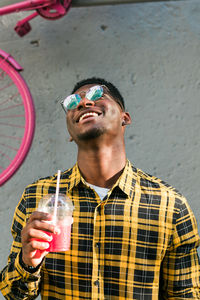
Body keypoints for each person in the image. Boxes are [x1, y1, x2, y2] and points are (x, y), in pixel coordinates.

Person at [0, 77, 200, 300]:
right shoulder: (38, 197)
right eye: (73, 101)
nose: (84, 103)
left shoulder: (170, 205)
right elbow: (13, 294)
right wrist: (28, 262)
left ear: (125, 118)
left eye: (97, 95)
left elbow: (185, 295)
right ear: (69, 132)